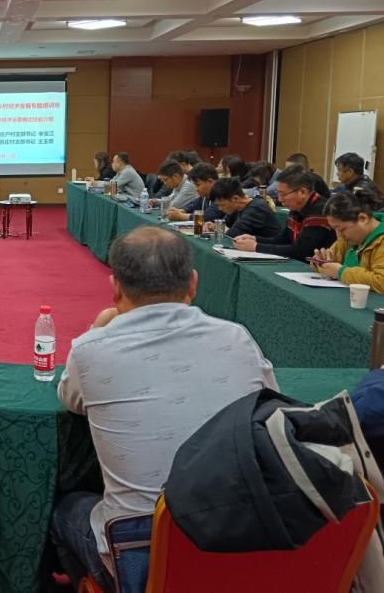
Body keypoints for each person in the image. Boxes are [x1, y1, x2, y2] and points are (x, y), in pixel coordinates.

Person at [52, 227, 277, 588]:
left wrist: (97, 328)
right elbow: (269, 404)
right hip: (241, 533)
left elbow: (70, 399)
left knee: (63, 509)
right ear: (193, 282)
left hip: (140, 545)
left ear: (115, 287)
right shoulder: (238, 337)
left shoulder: (91, 350)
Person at [233, 166, 336, 261]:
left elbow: (301, 251)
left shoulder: (320, 212)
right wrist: (254, 239)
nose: (279, 199)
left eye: (283, 194)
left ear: (302, 192)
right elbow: (282, 240)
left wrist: (256, 247)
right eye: (278, 193)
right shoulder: (296, 209)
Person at [311, 189, 384, 292]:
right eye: (335, 229)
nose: (339, 234)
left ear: (363, 218)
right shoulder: (347, 239)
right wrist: (321, 262)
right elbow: (331, 263)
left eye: (342, 229)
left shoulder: (381, 241)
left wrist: (341, 272)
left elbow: (381, 282)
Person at [207, 177, 282, 239]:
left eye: (222, 205)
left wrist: (219, 228)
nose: (220, 209)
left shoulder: (256, 209)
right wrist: (212, 226)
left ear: (235, 198)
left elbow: (232, 235)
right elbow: (224, 224)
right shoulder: (237, 207)